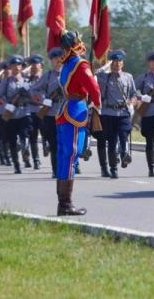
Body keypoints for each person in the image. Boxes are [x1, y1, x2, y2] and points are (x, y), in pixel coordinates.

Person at [55, 31, 101, 216]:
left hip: (65, 109)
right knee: (72, 155)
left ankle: (63, 203)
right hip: (75, 110)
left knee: (64, 157)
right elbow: (94, 88)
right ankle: (66, 204)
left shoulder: (66, 64)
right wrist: (97, 105)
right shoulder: (80, 64)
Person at [96, 50, 136, 179]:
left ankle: (124, 153)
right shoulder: (104, 77)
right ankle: (113, 168)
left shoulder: (128, 77)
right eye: (114, 61)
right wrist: (106, 65)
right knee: (112, 142)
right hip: (108, 113)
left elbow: (134, 94)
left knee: (124, 133)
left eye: (119, 61)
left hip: (123, 112)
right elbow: (94, 73)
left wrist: (132, 103)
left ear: (122, 63)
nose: (117, 64)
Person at [0, 55, 31, 174]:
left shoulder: (27, 81)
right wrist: (6, 105)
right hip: (11, 115)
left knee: (25, 133)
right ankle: (16, 164)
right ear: (10, 67)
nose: (16, 67)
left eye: (19, 65)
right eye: (14, 65)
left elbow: (34, 96)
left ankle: (25, 147)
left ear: (22, 67)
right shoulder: (6, 82)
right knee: (12, 140)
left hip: (24, 112)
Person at [31, 47, 64, 178]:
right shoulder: (48, 76)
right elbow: (34, 90)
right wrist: (44, 100)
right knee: (54, 143)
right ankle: (56, 170)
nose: (58, 61)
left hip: (67, 113)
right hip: (51, 114)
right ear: (51, 61)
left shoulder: (70, 74)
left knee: (67, 143)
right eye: (55, 59)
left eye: (60, 58)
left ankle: (68, 167)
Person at [25, 54, 45, 170]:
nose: (33, 68)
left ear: (41, 66)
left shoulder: (46, 78)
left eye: (35, 66)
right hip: (31, 111)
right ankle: (36, 159)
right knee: (32, 136)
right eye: (31, 66)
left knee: (46, 133)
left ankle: (46, 145)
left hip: (44, 110)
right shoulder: (26, 80)